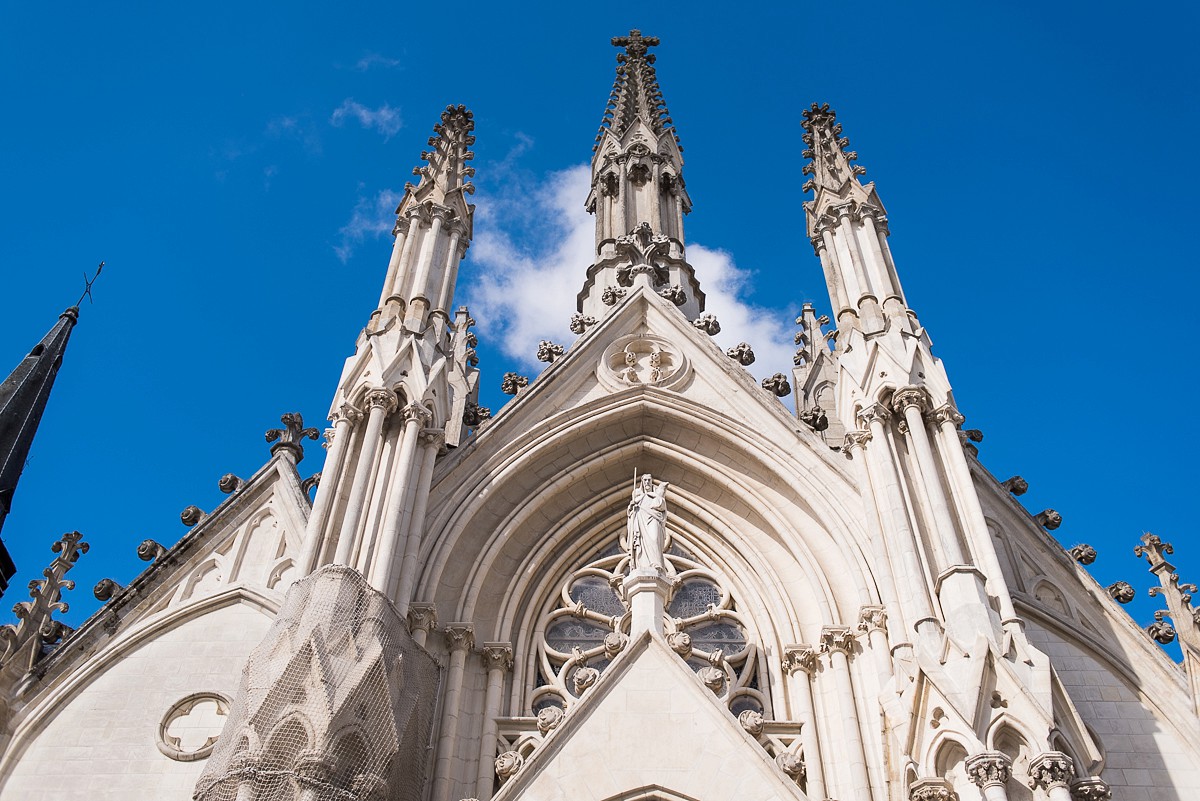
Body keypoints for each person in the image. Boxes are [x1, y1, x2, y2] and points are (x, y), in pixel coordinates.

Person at [626, 473, 668, 571]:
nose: (647, 482)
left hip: (653, 520)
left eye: (649, 480)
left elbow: (661, 507)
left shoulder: (655, 495)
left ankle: (656, 562)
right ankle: (642, 564)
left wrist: (658, 496)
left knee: (654, 539)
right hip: (641, 522)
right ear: (642, 482)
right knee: (642, 542)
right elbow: (631, 514)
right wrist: (632, 507)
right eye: (645, 480)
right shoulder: (638, 497)